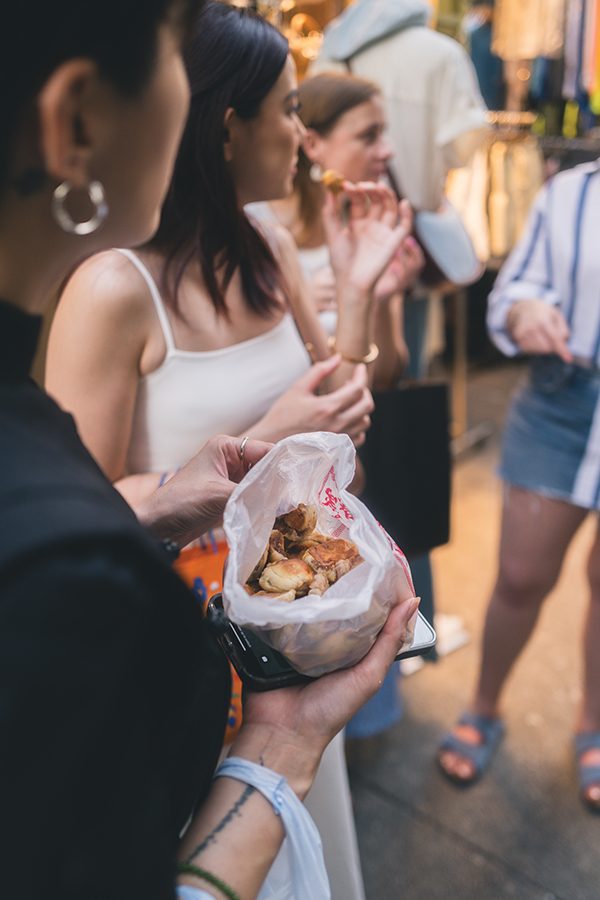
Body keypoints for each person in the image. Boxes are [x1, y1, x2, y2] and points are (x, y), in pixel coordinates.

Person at [0, 0, 423, 896]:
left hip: (297, 637)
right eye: (291, 108)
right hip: (201, 656)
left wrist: (357, 285)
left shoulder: (264, 243)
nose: (304, 136)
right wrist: (263, 445)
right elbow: (85, 500)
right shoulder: (112, 286)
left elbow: (339, 416)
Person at [437, 160, 600, 812]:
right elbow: (510, 292)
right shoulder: (573, 190)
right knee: (522, 575)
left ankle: (592, 722)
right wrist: (527, 307)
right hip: (563, 397)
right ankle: (485, 703)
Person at [251, 71, 424, 391]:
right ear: (313, 143)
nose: (387, 151)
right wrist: (296, 308)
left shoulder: (370, 228)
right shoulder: (257, 226)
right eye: (368, 136)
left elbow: (385, 377)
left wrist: (382, 302)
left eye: (383, 134)